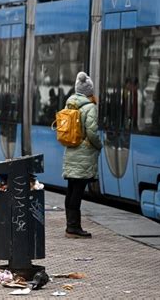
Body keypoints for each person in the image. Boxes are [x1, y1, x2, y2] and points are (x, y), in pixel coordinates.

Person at [62, 72, 102, 238]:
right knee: (77, 191)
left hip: (71, 151)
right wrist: (99, 145)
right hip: (84, 154)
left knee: (71, 189)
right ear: (89, 91)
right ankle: (74, 228)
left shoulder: (69, 105)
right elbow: (92, 132)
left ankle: (70, 225)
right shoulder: (89, 107)